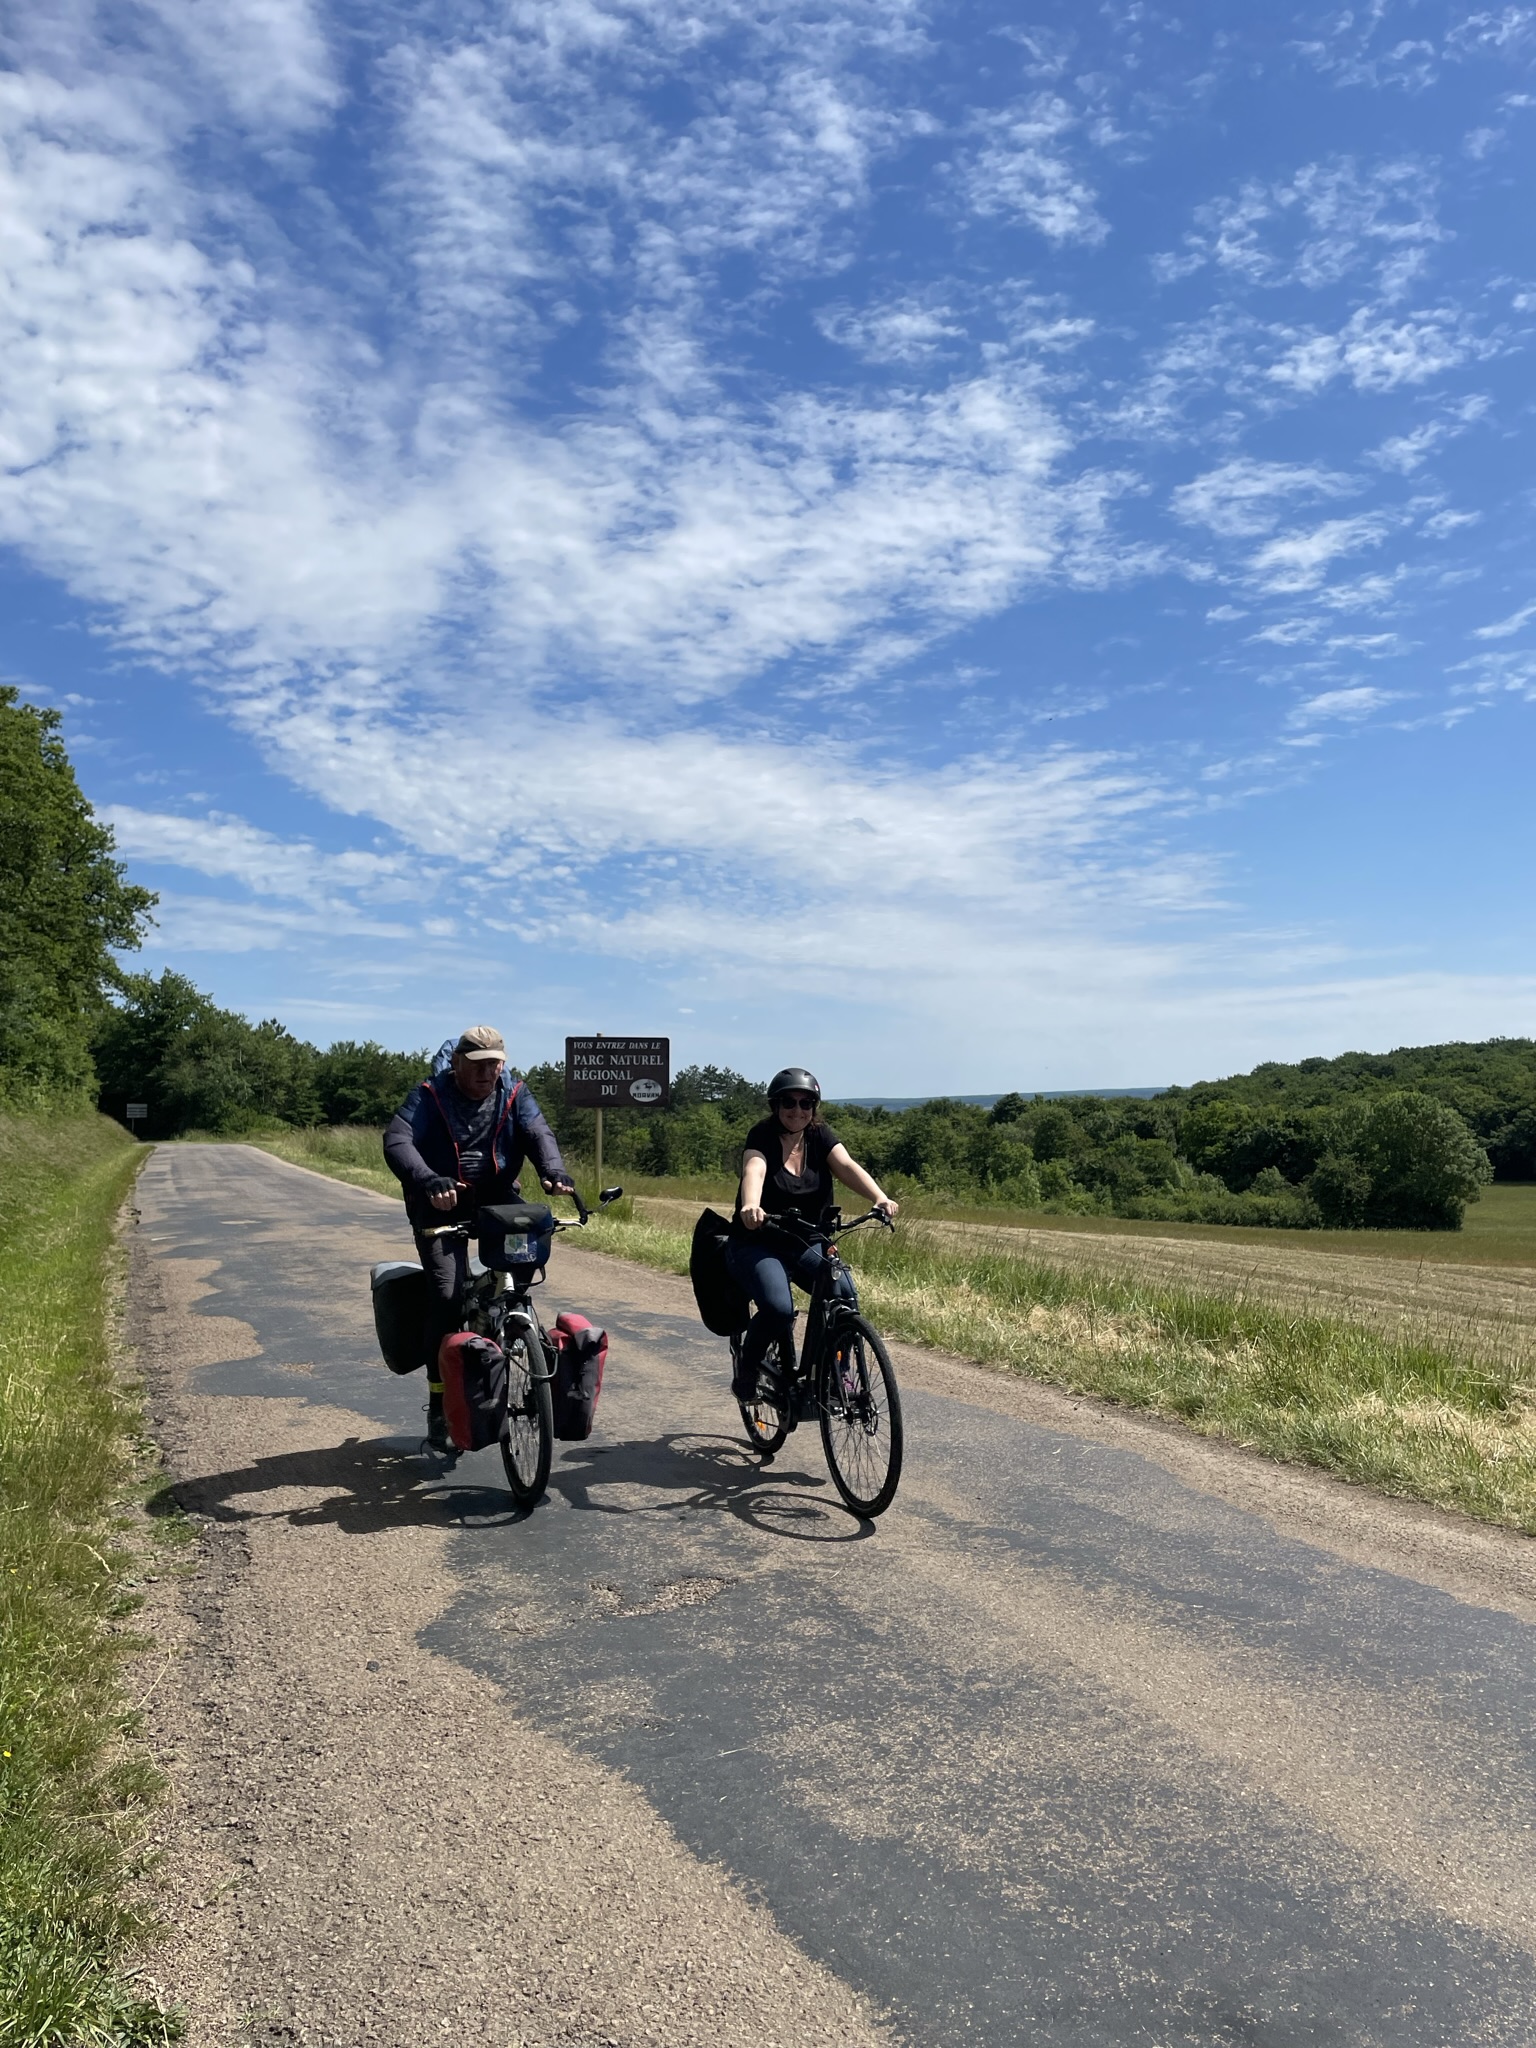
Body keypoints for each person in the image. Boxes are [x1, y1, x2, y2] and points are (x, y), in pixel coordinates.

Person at [384, 1026, 575, 1451]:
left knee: (523, 1263)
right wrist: (427, 1178)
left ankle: (509, 1329)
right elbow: (398, 1140)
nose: (488, 1073)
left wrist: (552, 1170)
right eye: (478, 1065)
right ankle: (438, 1402)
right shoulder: (430, 1094)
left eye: (495, 1064)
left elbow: (538, 1133)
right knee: (447, 1295)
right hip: (439, 1199)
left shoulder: (514, 1092)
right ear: (457, 1064)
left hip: (494, 1195)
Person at [725, 1067, 898, 1402]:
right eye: (789, 1102)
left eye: (806, 1103)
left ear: (814, 1107)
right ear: (775, 1105)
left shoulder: (819, 1135)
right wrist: (750, 1205)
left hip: (807, 1240)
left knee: (844, 1295)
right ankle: (748, 1369)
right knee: (777, 1308)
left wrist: (879, 1197)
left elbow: (847, 1166)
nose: (797, 1110)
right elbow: (754, 1169)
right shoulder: (761, 1135)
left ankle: (837, 1374)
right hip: (759, 1241)